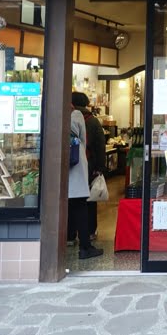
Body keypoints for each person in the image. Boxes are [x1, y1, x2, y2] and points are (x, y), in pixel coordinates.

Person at [67, 92, 103, 259]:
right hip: (81, 165)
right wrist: (100, 167)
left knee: (69, 204)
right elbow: (95, 144)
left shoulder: (59, 113)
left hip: (64, 168)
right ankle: (86, 243)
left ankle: (68, 236)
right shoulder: (81, 117)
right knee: (83, 204)